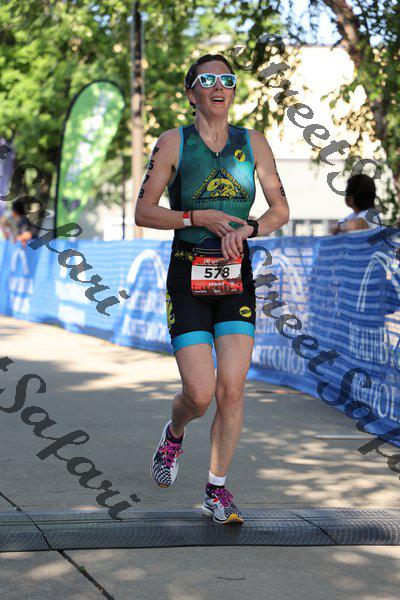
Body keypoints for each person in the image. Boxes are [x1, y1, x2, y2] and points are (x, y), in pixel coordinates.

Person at [135, 53, 289, 524]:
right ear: (191, 93)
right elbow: (144, 211)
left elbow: (280, 209)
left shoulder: (253, 142)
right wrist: (194, 217)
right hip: (188, 275)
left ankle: (216, 490)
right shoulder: (173, 143)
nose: (219, 87)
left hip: (235, 275)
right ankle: (174, 432)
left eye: (227, 80)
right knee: (200, 394)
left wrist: (251, 229)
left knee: (232, 391)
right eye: (208, 80)